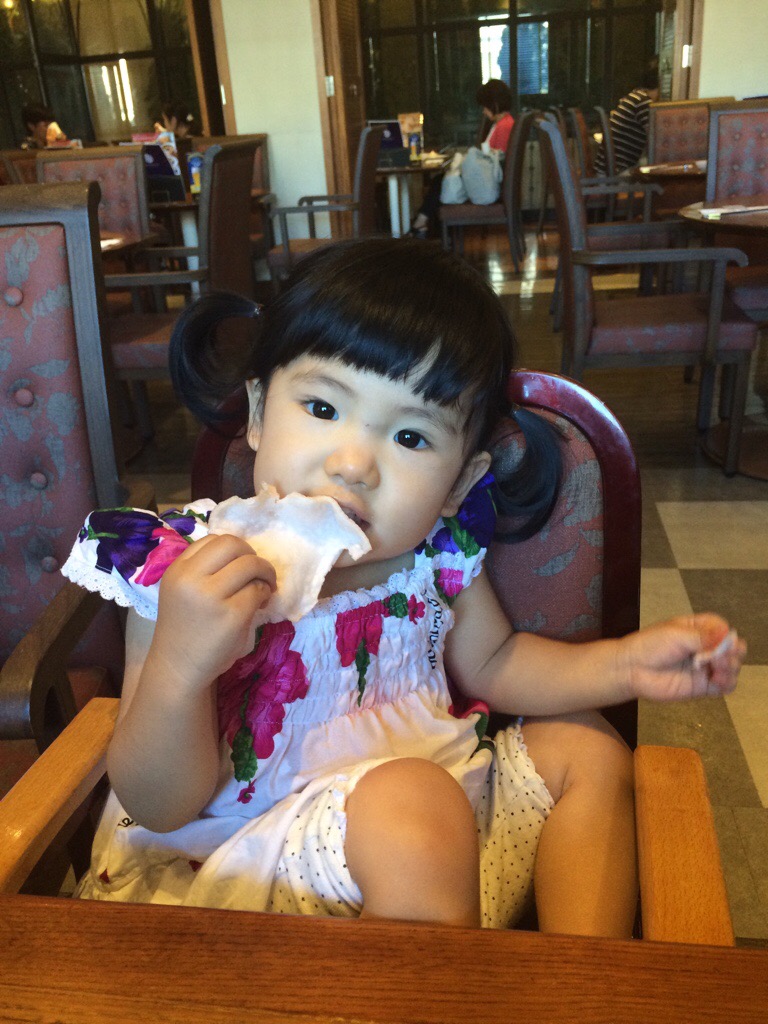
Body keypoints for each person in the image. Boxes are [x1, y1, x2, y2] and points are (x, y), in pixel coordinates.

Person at [61, 238, 744, 936]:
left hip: (441, 850)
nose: (354, 464)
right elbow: (156, 804)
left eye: (411, 439)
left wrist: (625, 665)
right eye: (323, 408)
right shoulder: (183, 573)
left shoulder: (433, 558)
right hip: (247, 879)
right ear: (259, 413)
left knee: (589, 749)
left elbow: (498, 663)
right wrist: (180, 666)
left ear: (459, 483)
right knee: (413, 806)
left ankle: (577, 980)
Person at [409, 79, 514, 238]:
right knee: (440, 181)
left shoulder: (504, 127)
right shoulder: (503, 123)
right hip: (488, 181)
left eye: (485, 107)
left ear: (494, 105)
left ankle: (423, 224)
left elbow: (495, 161)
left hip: (488, 186)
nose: (484, 112)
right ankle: (424, 223)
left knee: (440, 182)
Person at [596, 60, 660, 174]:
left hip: (607, 169)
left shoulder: (634, 97)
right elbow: (655, 139)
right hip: (620, 172)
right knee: (658, 166)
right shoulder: (643, 102)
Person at [153, 100, 194, 175]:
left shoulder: (183, 144)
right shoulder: (193, 135)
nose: (165, 123)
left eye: (165, 120)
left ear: (173, 121)